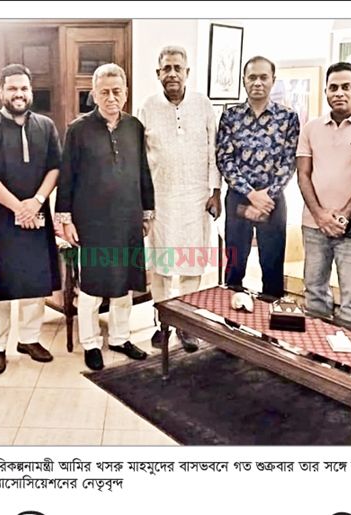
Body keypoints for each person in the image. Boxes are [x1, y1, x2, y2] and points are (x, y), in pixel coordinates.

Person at [56, 63, 155, 371]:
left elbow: (143, 171)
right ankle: (90, 343)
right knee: (92, 286)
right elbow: (67, 176)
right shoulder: (78, 129)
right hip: (92, 221)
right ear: (94, 95)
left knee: (125, 283)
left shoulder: (135, 127)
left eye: (116, 91)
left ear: (125, 93)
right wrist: (65, 219)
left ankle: (120, 338)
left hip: (128, 219)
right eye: (104, 92)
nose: (111, 98)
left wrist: (147, 212)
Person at [0, 64, 62, 375]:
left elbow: (55, 167)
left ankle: (29, 339)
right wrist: (18, 208)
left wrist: (36, 202)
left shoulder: (46, 126)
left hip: (37, 214)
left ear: (31, 91)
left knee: (35, 282)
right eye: (12, 88)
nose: (19, 94)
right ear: (1, 91)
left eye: (24, 88)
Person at [138, 45, 221, 352]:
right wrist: (144, 203)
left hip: (197, 198)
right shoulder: (148, 107)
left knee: (191, 265)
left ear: (187, 72)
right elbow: (141, 159)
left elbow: (214, 151)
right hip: (161, 199)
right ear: (158, 73)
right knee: (161, 266)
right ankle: (163, 324)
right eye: (166, 68)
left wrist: (216, 192)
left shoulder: (203, 105)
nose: (172, 74)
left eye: (177, 68)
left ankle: (187, 326)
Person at [296, 62, 351, 325]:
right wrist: (320, 215)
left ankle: (345, 352)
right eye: (333, 87)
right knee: (314, 295)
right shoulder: (311, 127)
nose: (339, 93)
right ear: (326, 91)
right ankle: (314, 349)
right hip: (314, 225)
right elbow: (303, 175)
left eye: (346, 87)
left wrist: (343, 217)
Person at [217, 56, 300, 298]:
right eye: (252, 77)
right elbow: (225, 159)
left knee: (272, 267)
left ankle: (270, 319)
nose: (258, 82)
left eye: (264, 77)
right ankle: (230, 316)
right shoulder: (230, 116)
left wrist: (266, 195)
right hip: (238, 200)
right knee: (234, 266)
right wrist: (251, 194)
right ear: (243, 80)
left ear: (273, 80)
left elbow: (289, 161)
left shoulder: (288, 117)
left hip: (272, 202)